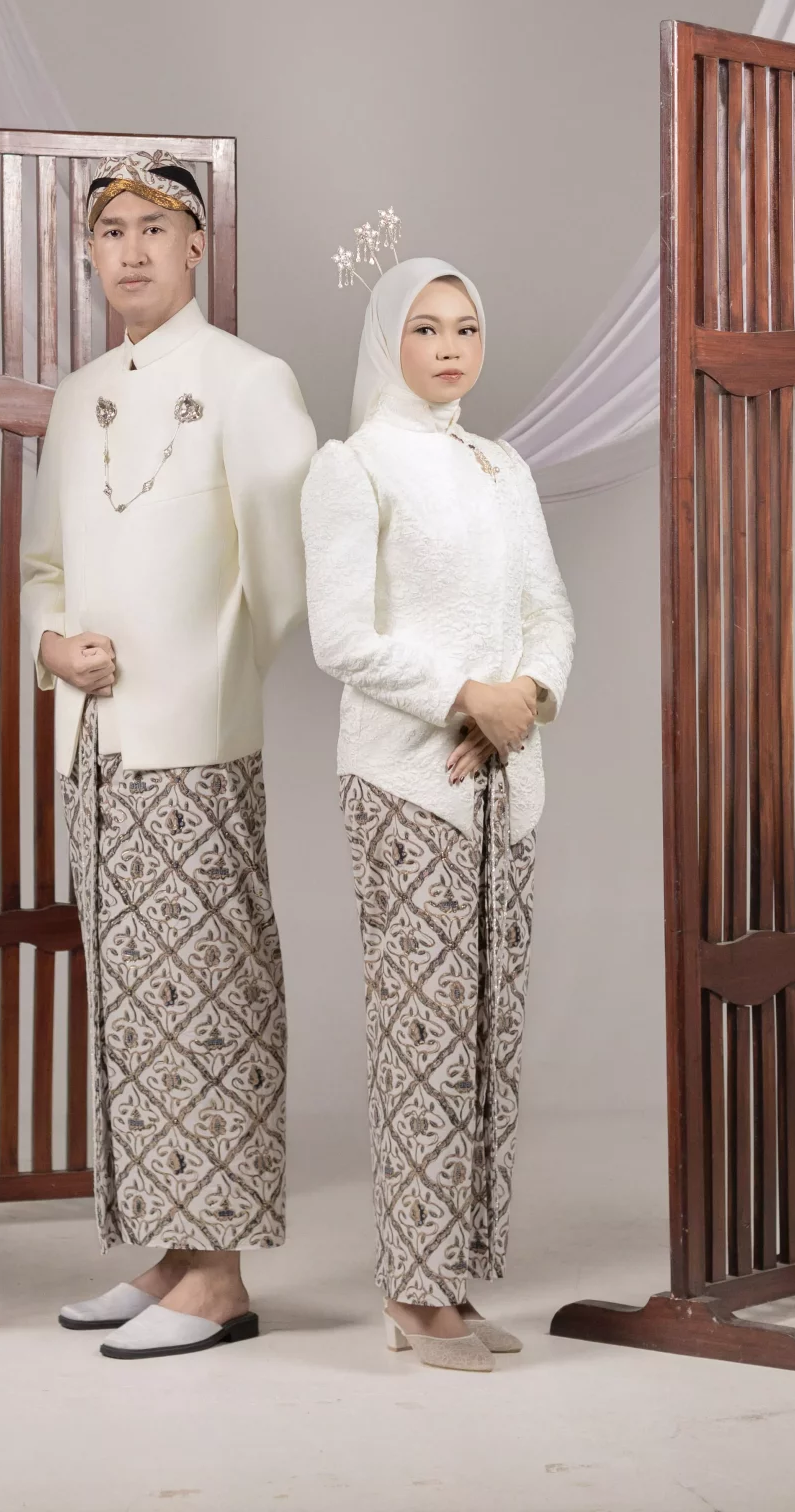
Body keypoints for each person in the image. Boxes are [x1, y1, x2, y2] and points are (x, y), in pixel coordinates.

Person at [23, 150, 317, 1360]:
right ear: (91, 253)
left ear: (197, 244)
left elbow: (285, 570)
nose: (133, 249)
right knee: (133, 1006)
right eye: (112, 231)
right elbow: (43, 564)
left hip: (193, 744)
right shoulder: (78, 392)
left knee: (210, 997)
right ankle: (176, 1251)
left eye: (156, 226)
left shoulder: (250, 379)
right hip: (93, 746)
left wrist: (209, 670)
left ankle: (223, 1275)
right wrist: (51, 646)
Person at [300, 254, 574, 1373]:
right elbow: (340, 637)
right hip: (407, 782)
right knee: (421, 1037)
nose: (450, 347)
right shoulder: (353, 465)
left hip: (508, 781)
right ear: (388, 341)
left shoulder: (503, 464)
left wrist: (527, 699)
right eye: (425, 328)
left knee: (485, 1036)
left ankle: (450, 1277)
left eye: (465, 326)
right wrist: (468, 696)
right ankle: (411, 1296)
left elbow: (550, 611)